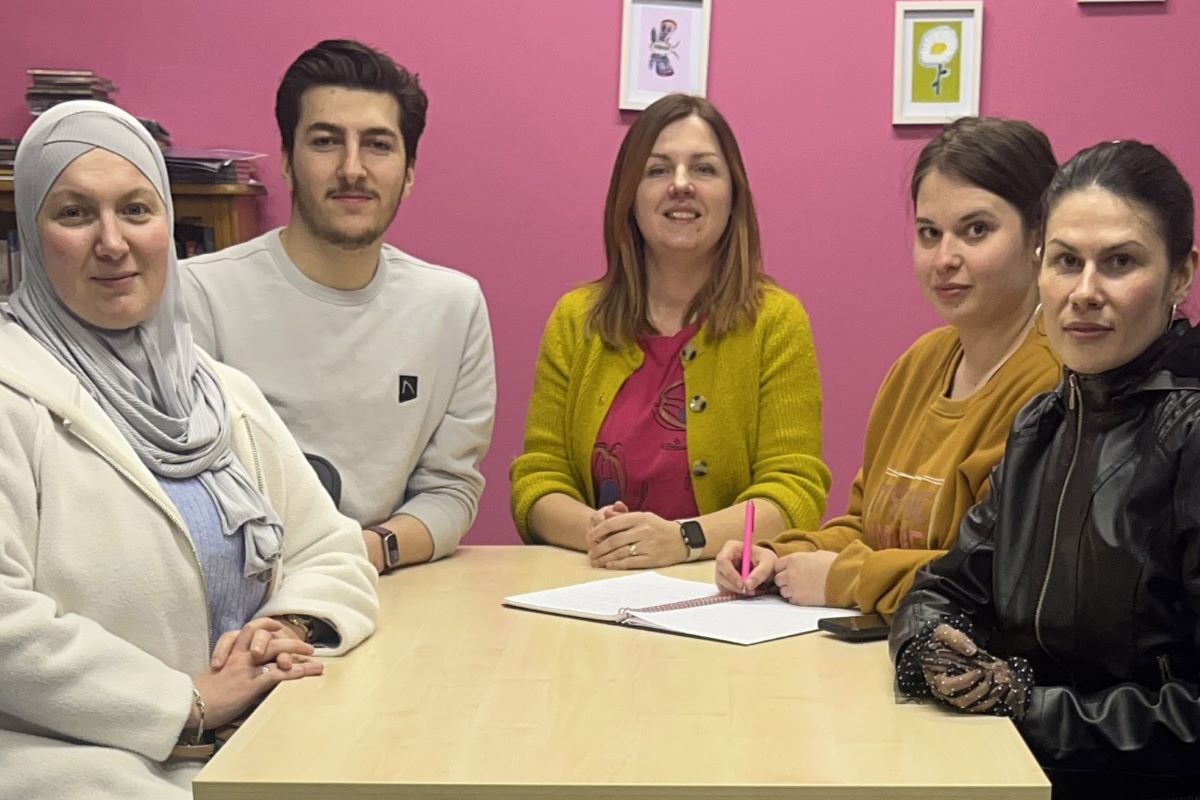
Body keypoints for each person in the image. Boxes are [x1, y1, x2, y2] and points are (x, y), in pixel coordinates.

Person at [0, 101, 377, 799]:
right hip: (76, 765)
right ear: (29, 230)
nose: (113, 242)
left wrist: (283, 626)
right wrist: (185, 705)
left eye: (137, 209)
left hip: (252, 743)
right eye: (76, 214)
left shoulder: (220, 393)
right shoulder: (10, 390)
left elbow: (330, 547)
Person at [890, 140, 1200, 799]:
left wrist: (1025, 704)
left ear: (1181, 274)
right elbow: (942, 591)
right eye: (1066, 262)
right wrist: (929, 652)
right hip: (1012, 774)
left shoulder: (1191, 435)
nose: (1084, 293)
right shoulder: (1042, 424)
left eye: (1119, 263)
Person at [716, 117, 1061, 614]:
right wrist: (778, 556)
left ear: (1038, 236)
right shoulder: (918, 365)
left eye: (976, 230)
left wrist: (847, 579)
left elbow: (998, 579)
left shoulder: (1054, 383)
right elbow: (865, 527)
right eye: (928, 233)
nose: (944, 257)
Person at [183, 39, 495, 575]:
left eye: (378, 145)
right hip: (241, 594)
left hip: (383, 582)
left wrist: (363, 554)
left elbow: (450, 490)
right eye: (326, 141)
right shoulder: (198, 297)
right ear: (286, 161)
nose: (353, 169)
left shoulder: (454, 306)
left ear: (410, 171)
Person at [510, 93, 830, 568]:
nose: (681, 185)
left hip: (722, 595)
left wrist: (683, 539)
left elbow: (793, 489)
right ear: (629, 196)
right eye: (658, 170)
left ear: (733, 195)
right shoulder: (575, 319)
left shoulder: (776, 322)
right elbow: (538, 476)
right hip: (594, 584)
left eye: (704, 169)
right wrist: (604, 534)